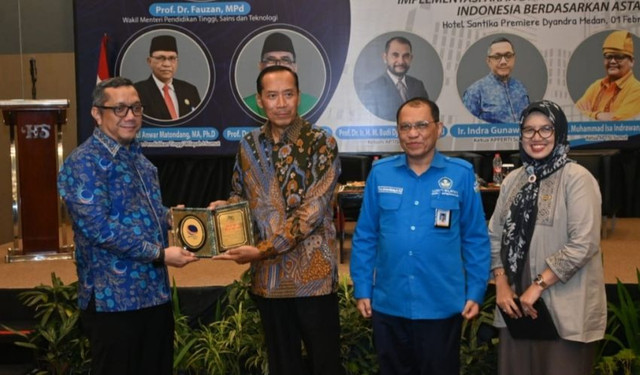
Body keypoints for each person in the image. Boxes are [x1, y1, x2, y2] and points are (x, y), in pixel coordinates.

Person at [57, 77, 199, 375]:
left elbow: (139, 212)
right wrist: (160, 254)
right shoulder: (84, 163)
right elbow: (98, 227)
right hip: (114, 300)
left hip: (153, 294)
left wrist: (174, 217)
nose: (131, 116)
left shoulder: (139, 160)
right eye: (119, 109)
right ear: (97, 114)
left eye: (135, 107)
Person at [210, 65, 344, 375]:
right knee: (282, 365)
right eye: (272, 95)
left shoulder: (320, 143)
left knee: (326, 363)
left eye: (288, 94)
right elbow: (239, 194)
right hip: (268, 280)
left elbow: (313, 211)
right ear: (260, 100)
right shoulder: (248, 145)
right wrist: (227, 211)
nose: (281, 103)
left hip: (313, 279)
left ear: (299, 97)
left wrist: (264, 249)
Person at [350, 97, 491, 375]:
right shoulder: (381, 173)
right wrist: (363, 287)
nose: (413, 134)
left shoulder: (461, 175)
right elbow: (365, 235)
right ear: (398, 132)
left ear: (439, 128)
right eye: (405, 127)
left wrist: (475, 290)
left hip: (440, 305)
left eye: (421, 125)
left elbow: (475, 237)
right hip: (390, 304)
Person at [488, 100, 607, 375]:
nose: (536, 138)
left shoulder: (577, 178)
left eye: (545, 129)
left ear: (560, 132)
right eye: (529, 130)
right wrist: (502, 284)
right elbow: (493, 236)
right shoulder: (513, 180)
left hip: (565, 309)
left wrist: (539, 285)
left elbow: (584, 242)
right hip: (517, 308)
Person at [243, 32, 319, 117]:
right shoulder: (246, 105)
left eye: (285, 60)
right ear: (261, 66)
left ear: (295, 67)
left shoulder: (313, 103)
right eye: (271, 60)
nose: (278, 65)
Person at [360, 36, 429, 121]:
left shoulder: (418, 85)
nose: (401, 61)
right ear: (385, 58)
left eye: (406, 56)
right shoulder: (372, 89)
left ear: (411, 59)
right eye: (395, 55)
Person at [462, 37, 530, 123]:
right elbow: (467, 125)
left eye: (508, 56)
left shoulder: (520, 87)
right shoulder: (475, 92)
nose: (503, 61)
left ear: (514, 58)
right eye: (497, 57)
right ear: (488, 61)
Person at [576, 30, 640, 120]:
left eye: (619, 57)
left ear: (631, 61)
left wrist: (589, 114)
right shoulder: (597, 85)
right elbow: (576, 113)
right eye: (608, 56)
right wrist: (598, 116)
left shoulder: (637, 90)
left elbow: (616, 121)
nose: (612, 61)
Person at [134, 35, 201, 120]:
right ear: (149, 61)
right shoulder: (137, 91)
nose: (167, 64)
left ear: (177, 61)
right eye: (160, 58)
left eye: (172, 58)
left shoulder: (190, 90)